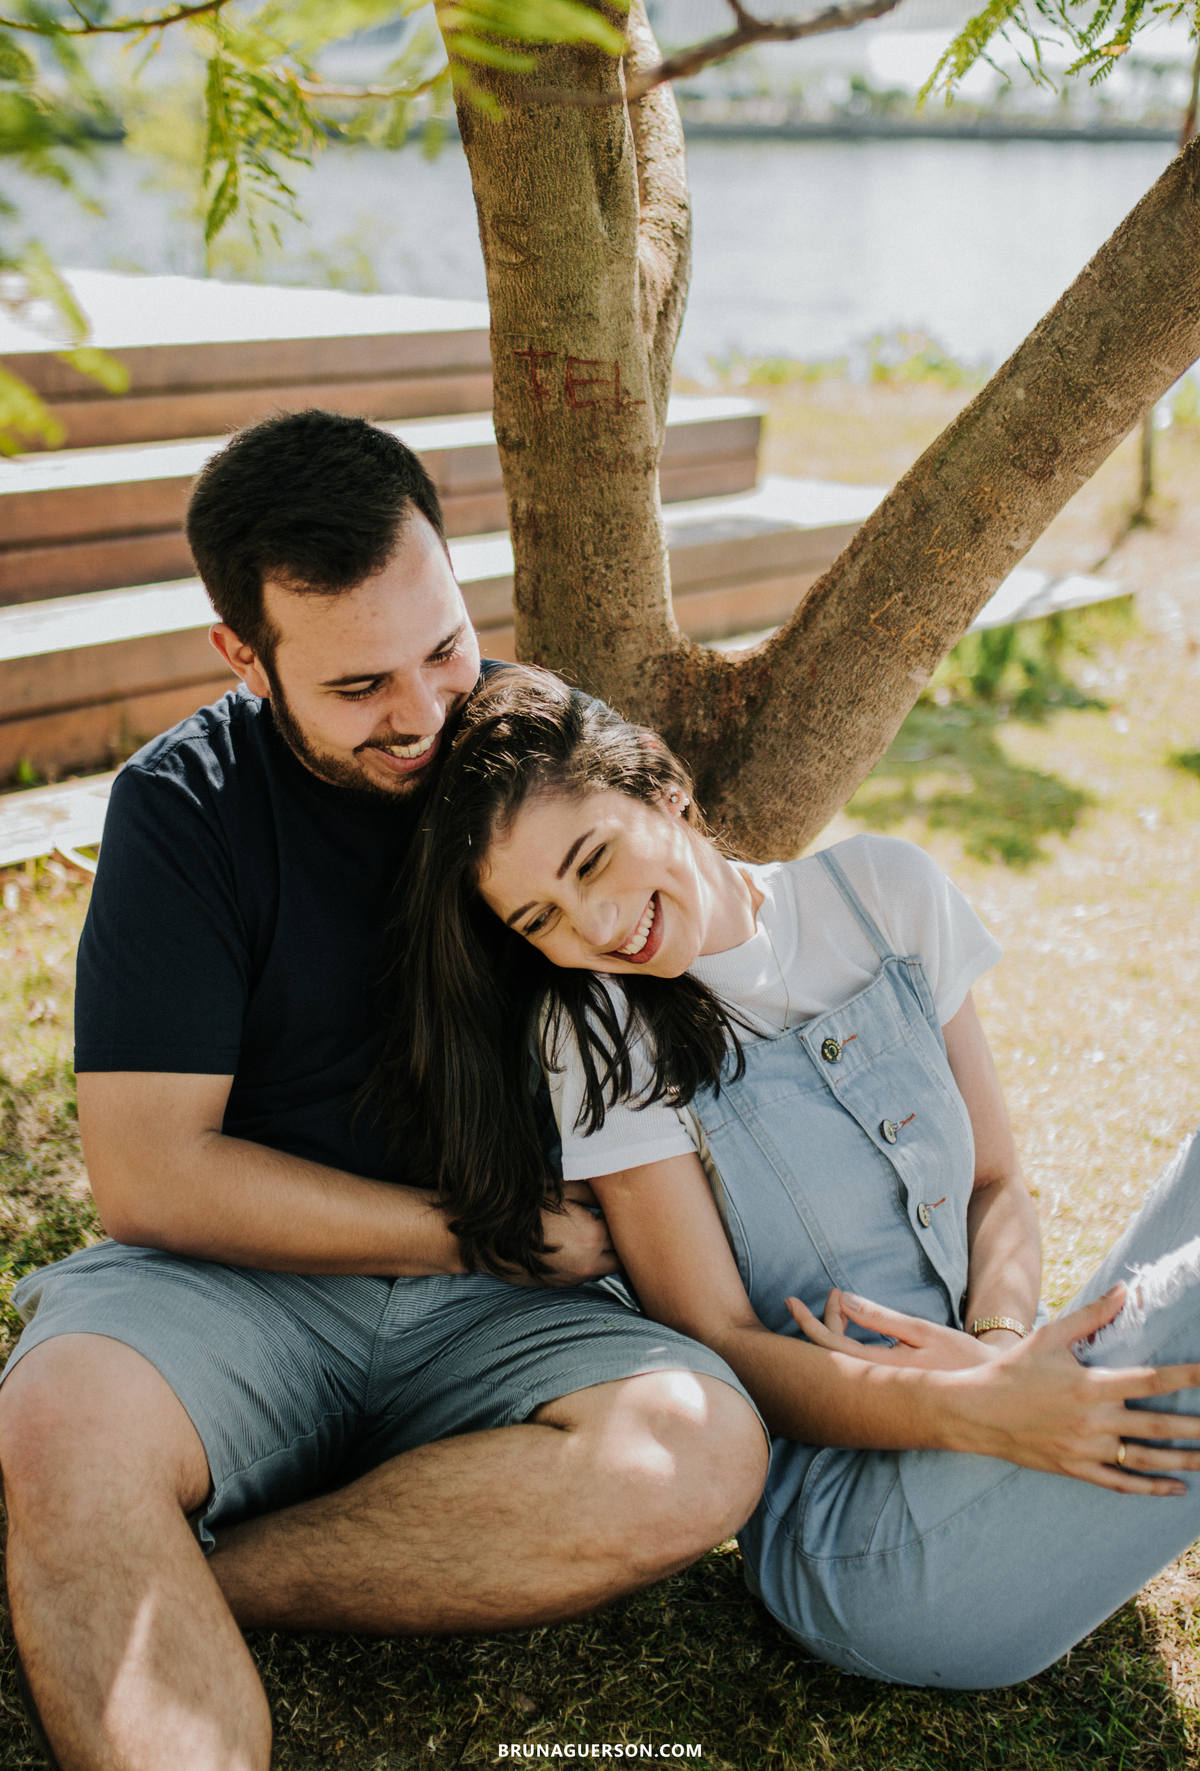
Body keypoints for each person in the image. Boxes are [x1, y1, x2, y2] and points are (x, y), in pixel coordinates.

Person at [0, 414, 768, 1771]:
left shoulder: (534, 758)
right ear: (242, 654)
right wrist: (479, 1227)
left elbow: (705, 916)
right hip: (239, 1281)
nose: (421, 713)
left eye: (443, 647)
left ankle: (196, 1578)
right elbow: (151, 1176)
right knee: (60, 1424)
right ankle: (116, 1559)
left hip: (508, 1317)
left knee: (696, 1457)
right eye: (358, 687)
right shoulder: (184, 809)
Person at [380, 663, 1200, 1689]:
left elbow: (997, 1183)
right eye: (540, 921)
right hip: (868, 1539)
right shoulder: (597, 1032)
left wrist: (991, 1351)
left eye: (592, 863)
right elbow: (721, 1343)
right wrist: (969, 1403)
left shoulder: (882, 893)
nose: (593, 929)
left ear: (659, 787)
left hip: (1001, 1405)